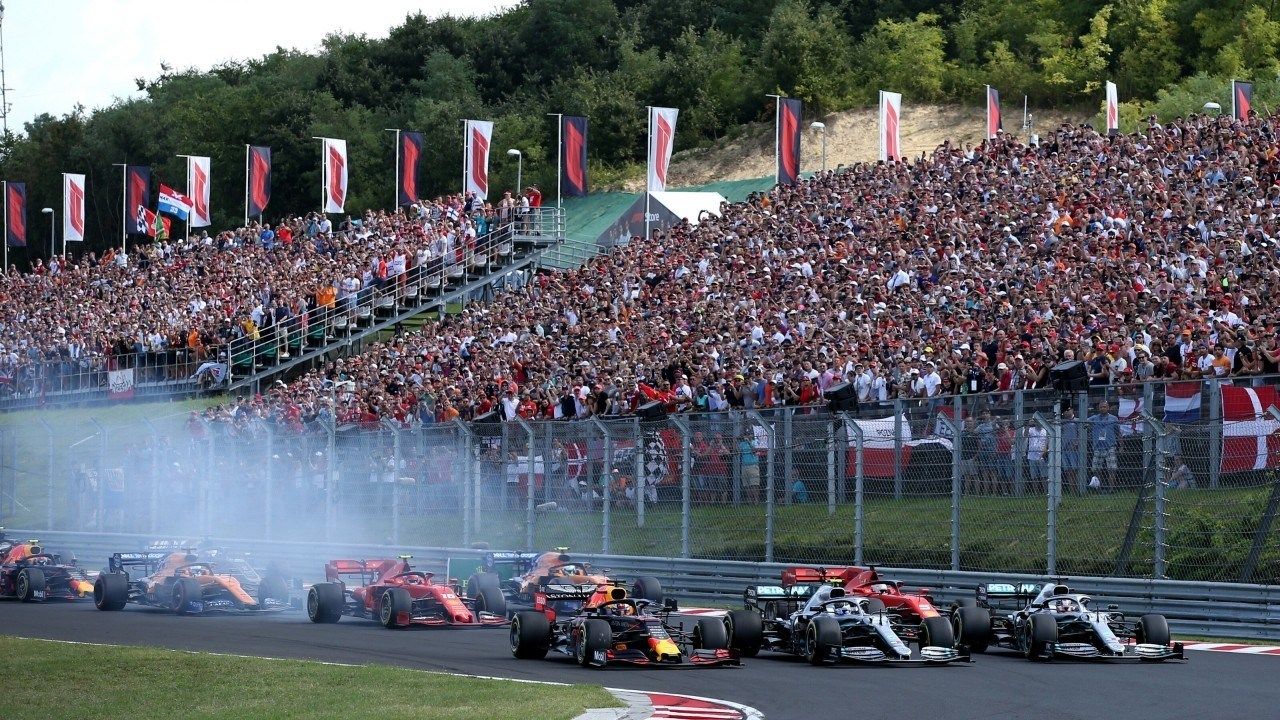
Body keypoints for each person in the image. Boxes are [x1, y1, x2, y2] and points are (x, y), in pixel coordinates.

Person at [1088, 401, 1119, 492]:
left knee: (1112, 469)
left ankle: (1111, 489)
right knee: (1097, 470)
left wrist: (1121, 445)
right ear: (1099, 408)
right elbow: (1083, 421)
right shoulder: (1094, 418)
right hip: (1098, 447)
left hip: (1110, 447)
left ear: (1108, 408)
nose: (1103, 408)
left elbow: (1118, 433)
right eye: (1101, 407)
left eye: (1104, 407)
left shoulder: (1114, 418)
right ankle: (1098, 488)